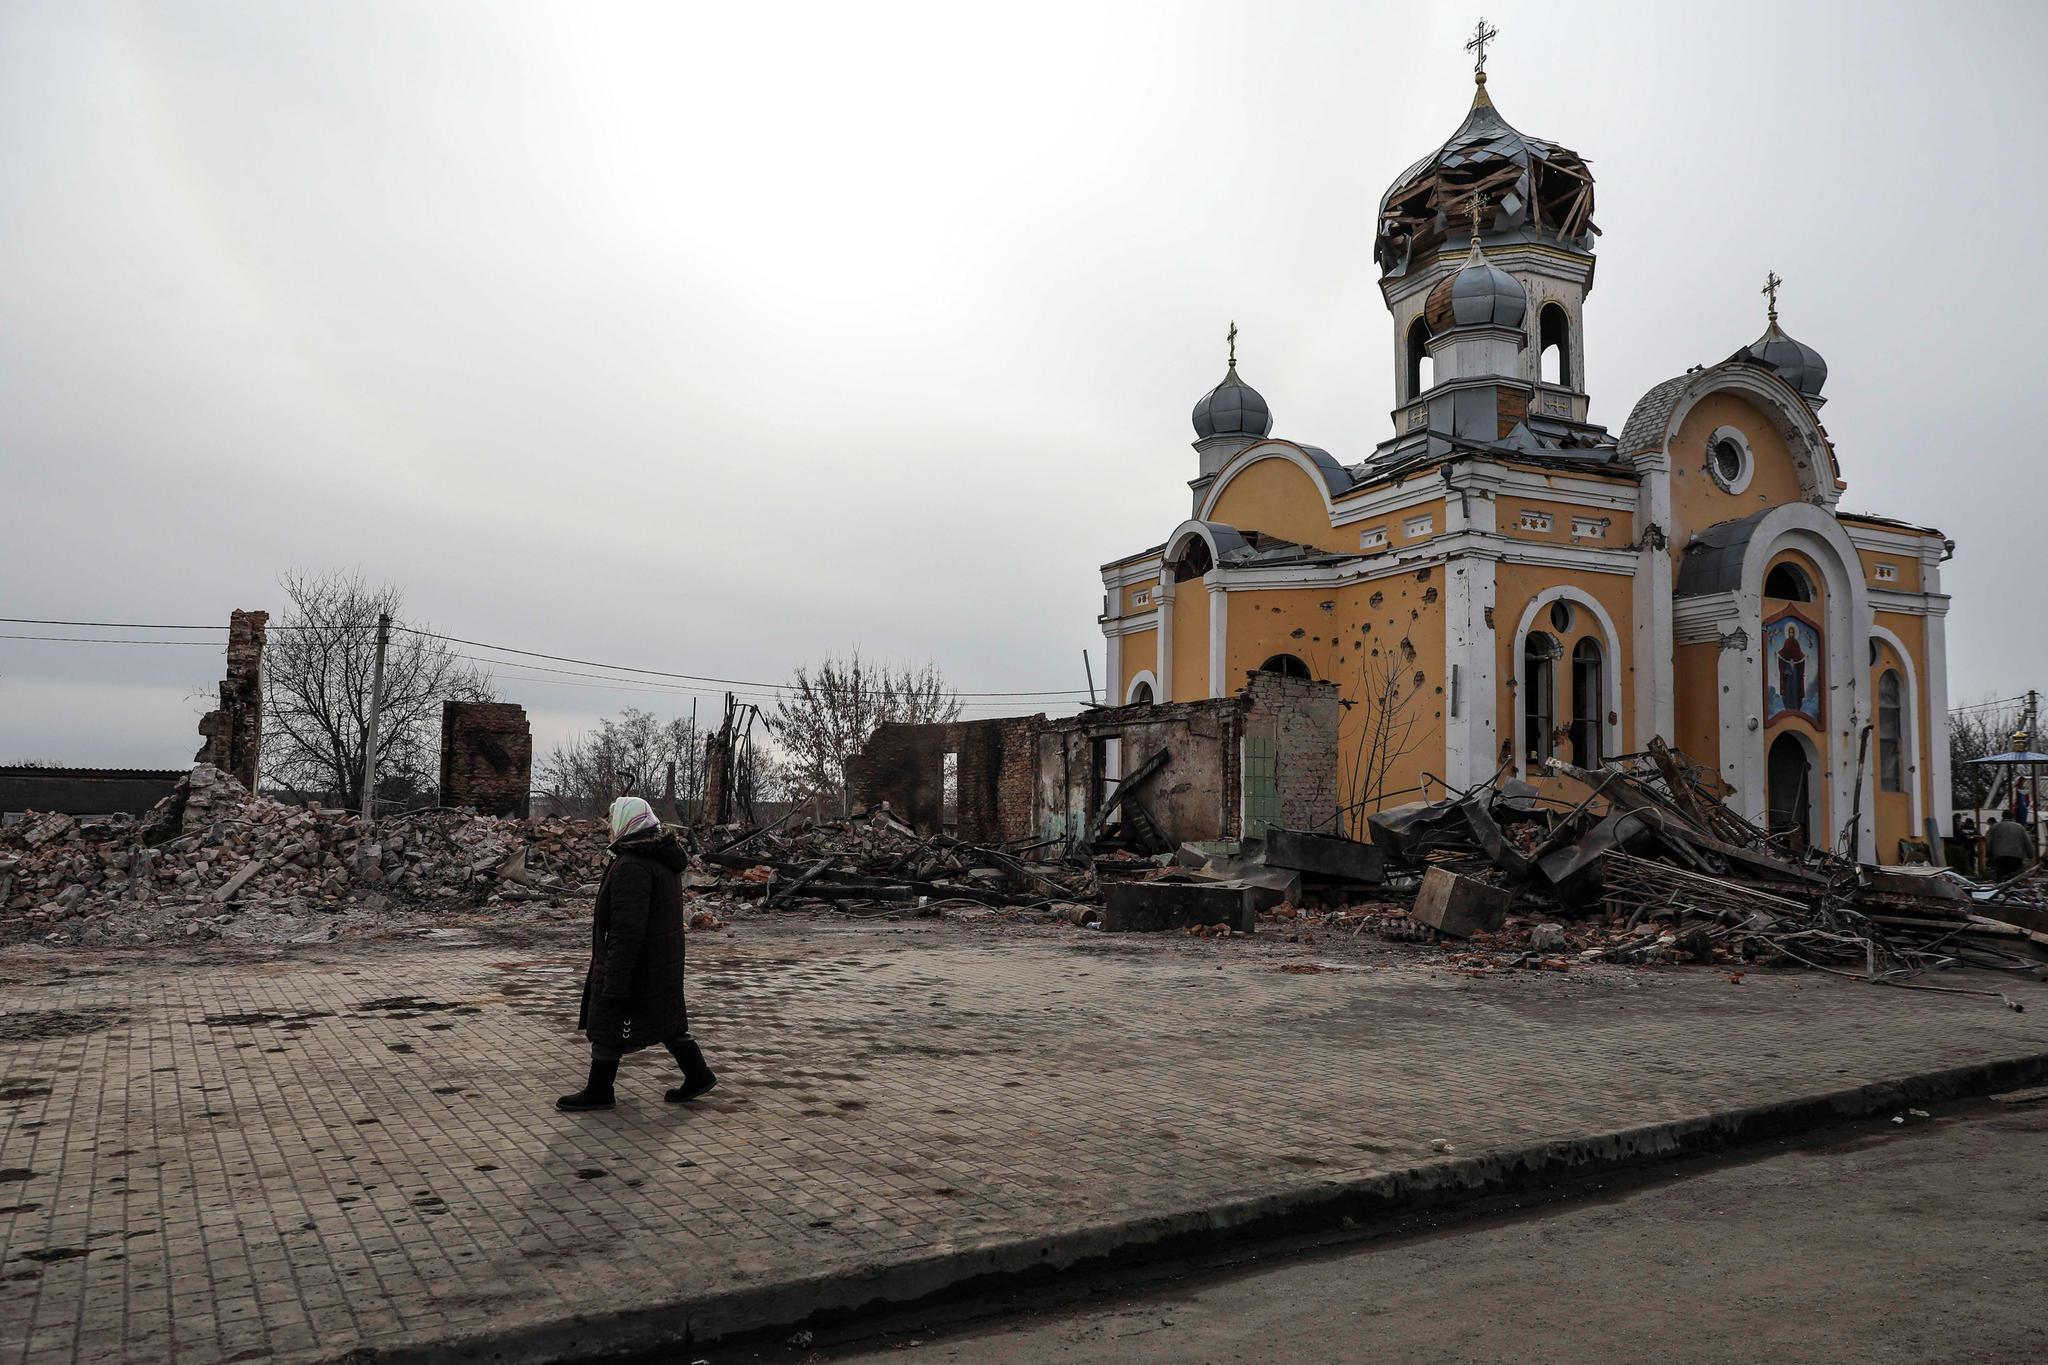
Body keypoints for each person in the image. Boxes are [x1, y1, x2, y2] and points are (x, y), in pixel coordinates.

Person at [557, 796, 718, 1113]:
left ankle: (599, 1090)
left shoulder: (633, 865)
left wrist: (616, 978)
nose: (607, 829)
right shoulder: (659, 857)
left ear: (626, 823)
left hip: (638, 961)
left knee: (609, 1021)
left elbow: (626, 929)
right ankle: (698, 1074)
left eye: (612, 821)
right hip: (660, 959)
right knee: (666, 1021)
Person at [1985, 808, 2036, 884]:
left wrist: (1988, 855)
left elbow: (1988, 842)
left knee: (2001, 880)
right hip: (2016, 858)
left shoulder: (1994, 827)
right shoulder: (2020, 827)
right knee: (2015, 880)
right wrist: (2030, 854)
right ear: (2013, 817)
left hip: (2000, 858)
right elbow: (2027, 842)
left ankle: (2001, 893)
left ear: (2002, 816)